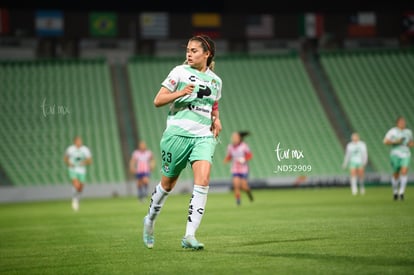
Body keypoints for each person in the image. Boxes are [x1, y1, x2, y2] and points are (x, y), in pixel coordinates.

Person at [142, 34, 222, 250]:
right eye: (187, 50)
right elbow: (158, 100)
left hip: (203, 136)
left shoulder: (216, 81)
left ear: (207, 54)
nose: (189, 53)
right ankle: (149, 219)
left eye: (194, 50)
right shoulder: (179, 72)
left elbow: (213, 104)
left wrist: (217, 120)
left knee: (203, 180)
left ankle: (189, 235)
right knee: (167, 184)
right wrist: (180, 93)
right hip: (177, 135)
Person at [383, 116, 414, 201]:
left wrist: (409, 144)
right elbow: (385, 141)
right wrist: (396, 141)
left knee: (404, 171)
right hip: (395, 154)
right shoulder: (392, 131)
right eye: (401, 122)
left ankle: (402, 192)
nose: (403, 123)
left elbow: (411, 143)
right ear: (397, 123)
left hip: (406, 154)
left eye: (404, 122)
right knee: (396, 173)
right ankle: (395, 191)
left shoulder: (408, 132)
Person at [223, 131, 254, 205]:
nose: (233, 139)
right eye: (233, 137)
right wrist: (226, 160)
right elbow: (230, 156)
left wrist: (243, 159)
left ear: (239, 138)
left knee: (244, 186)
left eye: (235, 137)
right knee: (236, 185)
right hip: (235, 169)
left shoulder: (244, 146)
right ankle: (238, 201)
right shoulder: (230, 147)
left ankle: (248, 192)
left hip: (243, 169)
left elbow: (250, 155)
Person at [64, 136, 92, 211]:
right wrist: (69, 163)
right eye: (78, 141)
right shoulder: (70, 149)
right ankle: (74, 200)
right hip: (73, 169)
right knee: (76, 185)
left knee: (80, 187)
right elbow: (65, 158)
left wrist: (84, 162)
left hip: (82, 170)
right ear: (75, 142)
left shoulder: (85, 149)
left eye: (80, 141)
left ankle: (77, 198)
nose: (80, 142)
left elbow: (90, 160)